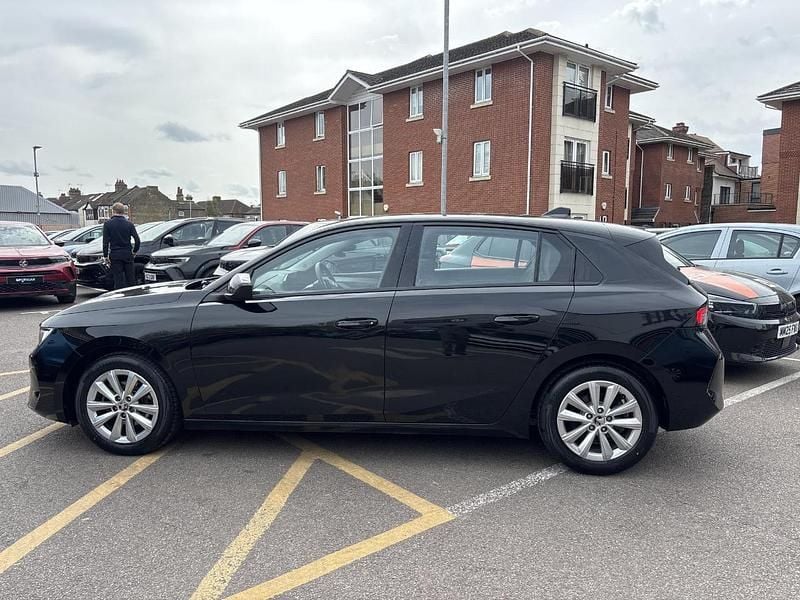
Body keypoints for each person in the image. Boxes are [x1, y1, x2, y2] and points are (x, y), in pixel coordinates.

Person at [102, 202, 140, 290]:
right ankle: (132, 297)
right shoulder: (129, 224)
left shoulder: (108, 224)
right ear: (123, 212)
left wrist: (105, 256)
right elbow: (137, 240)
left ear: (113, 211)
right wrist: (134, 252)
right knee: (130, 279)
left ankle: (120, 298)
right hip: (127, 254)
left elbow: (105, 242)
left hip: (115, 255)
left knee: (118, 279)